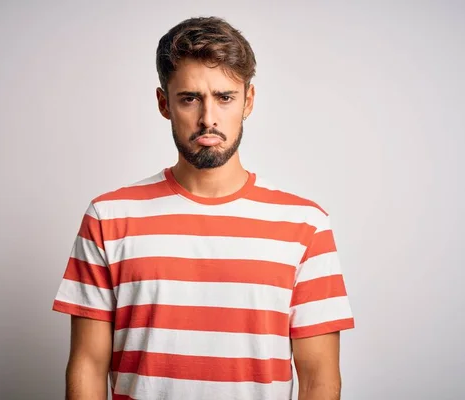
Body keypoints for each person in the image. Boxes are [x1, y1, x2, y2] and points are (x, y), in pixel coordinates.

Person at [52, 16, 355, 400]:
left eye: (224, 97)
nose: (208, 118)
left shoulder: (305, 225)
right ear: (164, 103)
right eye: (190, 98)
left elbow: (318, 379)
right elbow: (88, 366)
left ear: (248, 101)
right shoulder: (109, 218)